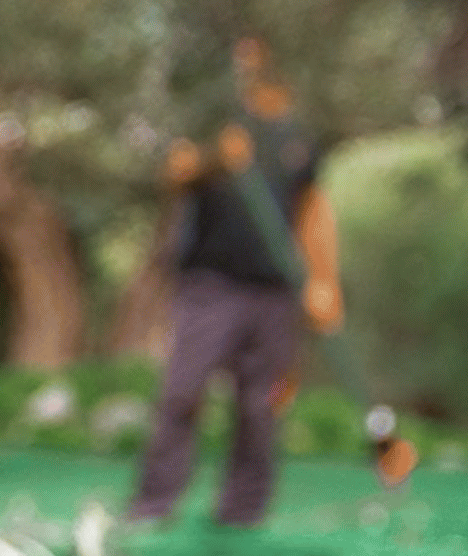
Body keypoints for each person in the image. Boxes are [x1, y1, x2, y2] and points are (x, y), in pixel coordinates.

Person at [128, 37, 343, 529]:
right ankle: (153, 505)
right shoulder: (214, 121)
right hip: (212, 285)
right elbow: (176, 170)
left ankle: (243, 513)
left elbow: (313, 211)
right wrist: (216, 158)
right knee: (183, 392)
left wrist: (324, 282)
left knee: (262, 406)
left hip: (275, 291)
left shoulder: (297, 139)